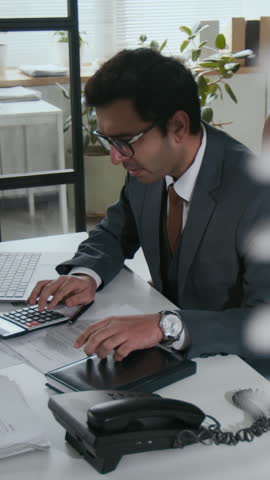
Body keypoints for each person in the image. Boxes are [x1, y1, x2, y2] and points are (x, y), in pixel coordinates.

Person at [28, 48, 270, 366]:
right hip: (172, 358)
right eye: (109, 140)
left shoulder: (256, 194)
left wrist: (165, 325)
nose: (116, 157)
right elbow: (116, 231)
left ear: (179, 127)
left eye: (125, 140)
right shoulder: (151, 167)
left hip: (237, 369)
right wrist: (86, 275)